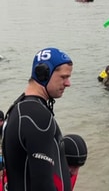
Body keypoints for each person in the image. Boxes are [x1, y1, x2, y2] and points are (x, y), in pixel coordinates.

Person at [1, 47, 73, 191]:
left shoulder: (21, 108)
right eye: (63, 77)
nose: (68, 83)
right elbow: (42, 185)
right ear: (43, 73)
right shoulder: (36, 116)